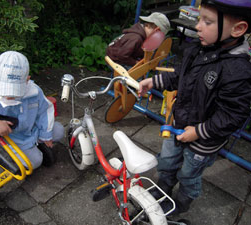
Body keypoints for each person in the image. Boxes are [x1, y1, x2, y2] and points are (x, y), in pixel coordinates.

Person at [139, 0, 251, 215]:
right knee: (166, 163)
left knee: (188, 175)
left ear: (238, 29)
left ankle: (179, 205)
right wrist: (154, 82)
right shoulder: (198, 48)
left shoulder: (238, 70)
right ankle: (162, 192)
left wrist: (198, 132)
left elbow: (233, 114)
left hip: (203, 140)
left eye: (207, 22)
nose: (198, 26)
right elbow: (180, 75)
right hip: (178, 124)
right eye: (200, 19)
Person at [0, 51, 64, 170]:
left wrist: (45, 135)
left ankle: (38, 144)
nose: (8, 96)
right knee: (36, 161)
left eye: (14, 90)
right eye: (5, 89)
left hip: (33, 130)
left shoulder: (34, 91)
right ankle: (11, 152)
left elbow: (45, 110)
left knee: (59, 130)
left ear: (27, 80)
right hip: (15, 139)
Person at [106, 12, 170, 68]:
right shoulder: (136, 38)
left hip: (125, 57)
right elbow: (122, 55)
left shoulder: (143, 35)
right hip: (115, 60)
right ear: (147, 26)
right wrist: (136, 63)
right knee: (136, 76)